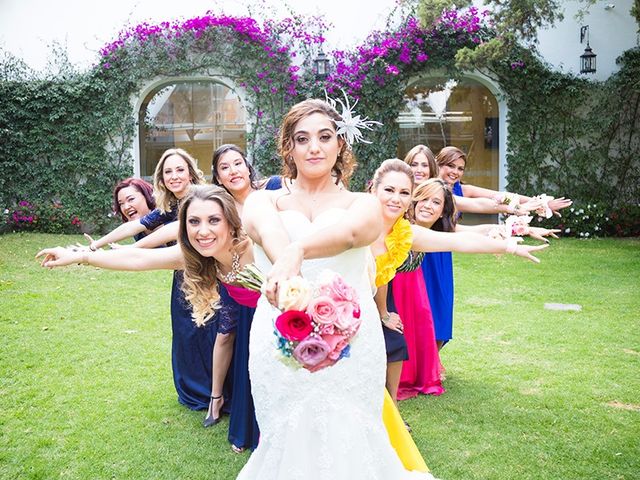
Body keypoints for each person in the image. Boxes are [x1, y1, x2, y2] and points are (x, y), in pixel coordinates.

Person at [370, 159, 550, 403]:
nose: (396, 198)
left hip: (378, 301)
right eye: (389, 190)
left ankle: (390, 415)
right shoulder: (360, 222)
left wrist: (509, 245)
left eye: (404, 193)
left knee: (395, 345)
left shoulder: (406, 233)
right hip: (354, 302)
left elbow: (459, 241)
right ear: (374, 189)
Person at [83, 148, 214, 410]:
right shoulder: (170, 206)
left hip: (210, 275)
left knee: (210, 333)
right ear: (161, 180)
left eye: (179, 169)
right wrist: (98, 243)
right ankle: (196, 391)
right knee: (186, 332)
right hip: (183, 277)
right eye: (168, 172)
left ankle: (216, 391)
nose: (174, 176)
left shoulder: (204, 197)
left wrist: (132, 250)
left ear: (190, 172)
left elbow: (172, 230)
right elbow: (135, 225)